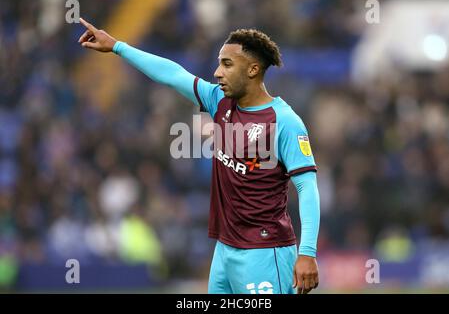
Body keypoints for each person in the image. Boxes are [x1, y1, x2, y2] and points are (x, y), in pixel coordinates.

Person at [77, 17, 320, 294]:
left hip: (265, 252)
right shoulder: (220, 101)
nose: (217, 72)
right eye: (219, 63)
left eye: (227, 64)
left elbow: (307, 187)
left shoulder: (285, 121)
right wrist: (118, 46)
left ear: (253, 69)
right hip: (224, 251)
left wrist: (308, 252)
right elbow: (173, 75)